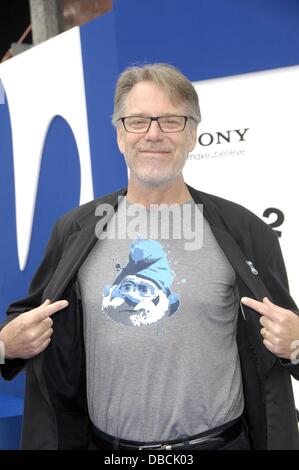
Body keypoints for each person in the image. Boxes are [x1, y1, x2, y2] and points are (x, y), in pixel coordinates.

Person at [1, 63, 299, 450]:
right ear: (120, 136)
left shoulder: (246, 233)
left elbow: (287, 333)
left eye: (171, 121)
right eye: (138, 121)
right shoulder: (73, 231)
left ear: (192, 134)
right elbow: (26, 323)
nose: (154, 134)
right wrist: (6, 344)